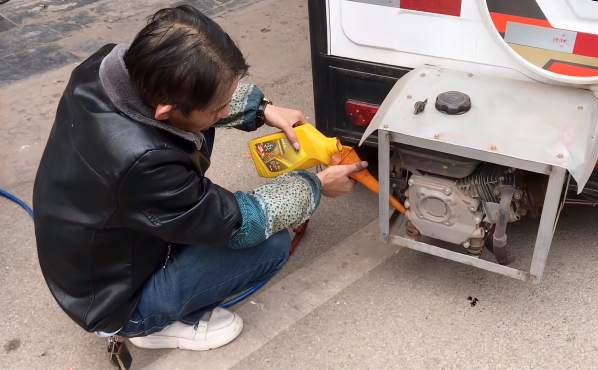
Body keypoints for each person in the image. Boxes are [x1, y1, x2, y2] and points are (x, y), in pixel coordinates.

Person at [33, 5, 366, 351]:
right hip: (114, 302)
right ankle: (151, 326)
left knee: (199, 127)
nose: (224, 113)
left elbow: (194, 89)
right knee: (270, 243)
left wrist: (262, 109)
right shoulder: (145, 162)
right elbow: (238, 223)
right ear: (165, 110)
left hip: (88, 254)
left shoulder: (104, 69)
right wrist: (315, 187)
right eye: (218, 108)